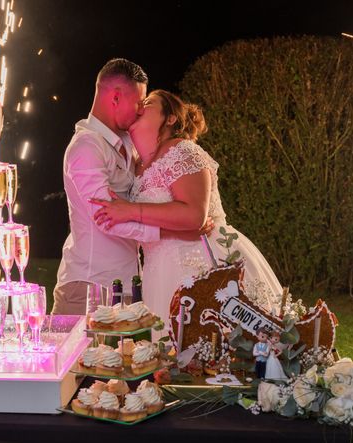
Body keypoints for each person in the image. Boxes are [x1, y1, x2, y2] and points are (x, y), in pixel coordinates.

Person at [90, 89, 283, 339]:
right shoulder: (137, 165)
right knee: (175, 355)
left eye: (148, 103)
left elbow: (194, 216)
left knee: (226, 347)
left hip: (203, 262)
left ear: (170, 118)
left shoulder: (182, 152)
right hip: (159, 270)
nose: (139, 107)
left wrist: (129, 210)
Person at [52, 61, 209, 315]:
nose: (140, 111)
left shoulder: (128, 143)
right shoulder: (86, 148)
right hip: (90, 287)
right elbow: (106, 218)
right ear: (115, 97)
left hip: (127, 285)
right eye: (139, 102)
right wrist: (176, 233)